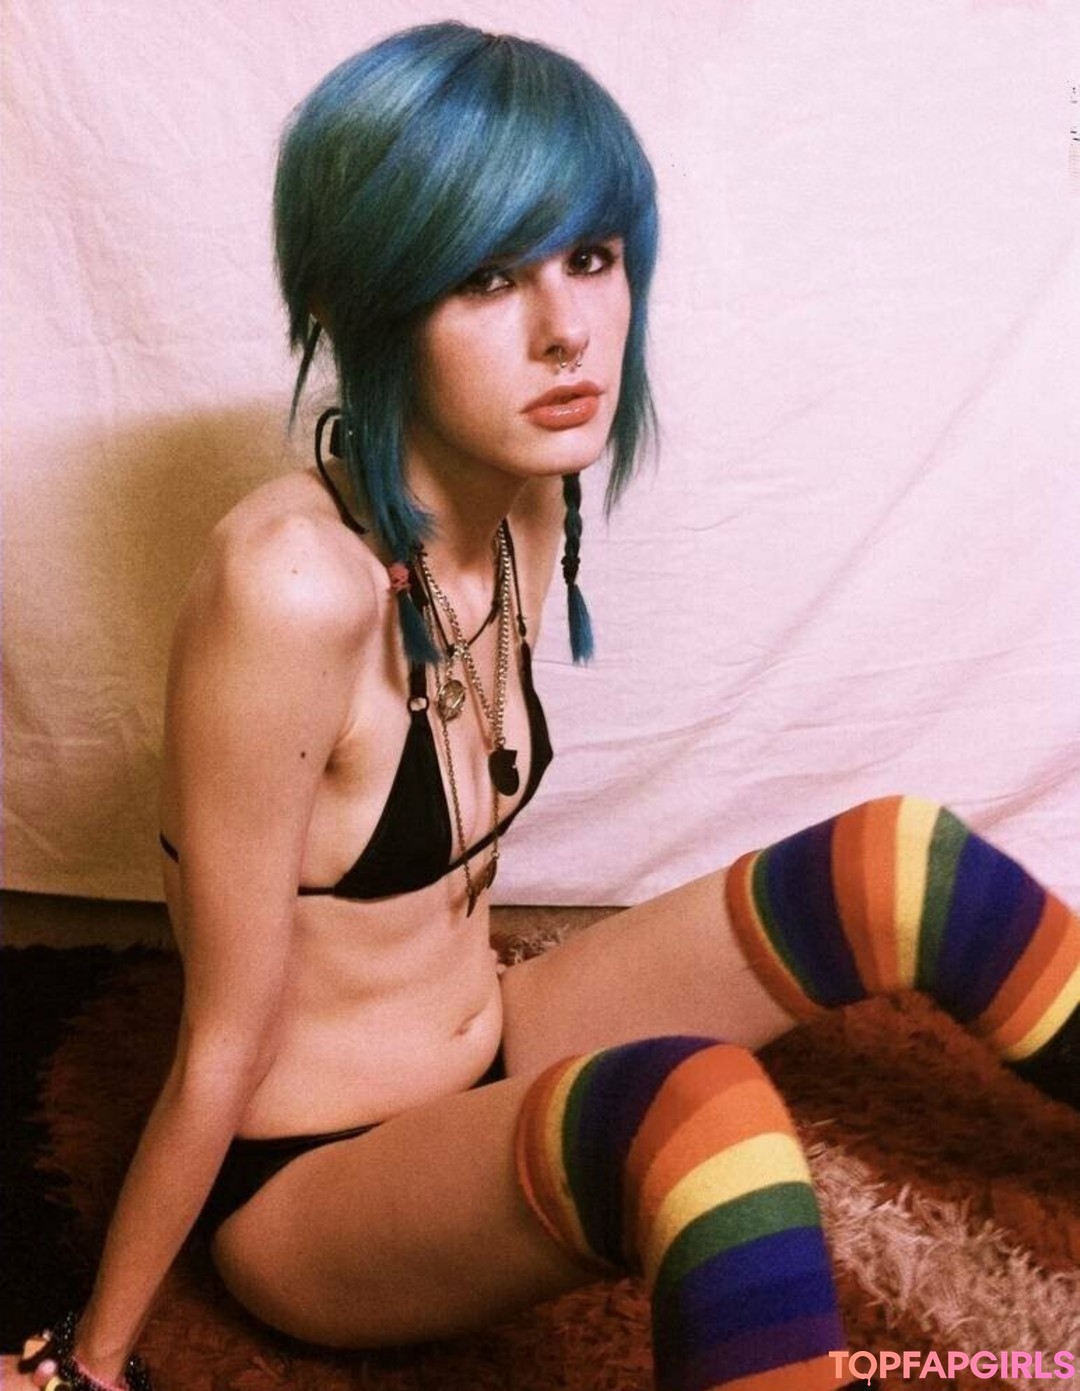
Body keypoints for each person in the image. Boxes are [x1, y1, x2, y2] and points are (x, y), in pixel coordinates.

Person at [15, 22, 1077, 1391]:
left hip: (492, 1039)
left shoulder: (518, 499)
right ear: (363, 300)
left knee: (897, 859)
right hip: (310, 1181)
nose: (567, 330)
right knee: (701, 1122)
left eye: (590, 257)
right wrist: (90, 1362)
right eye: (484, 276)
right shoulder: (290, 589)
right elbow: (221, 1037)